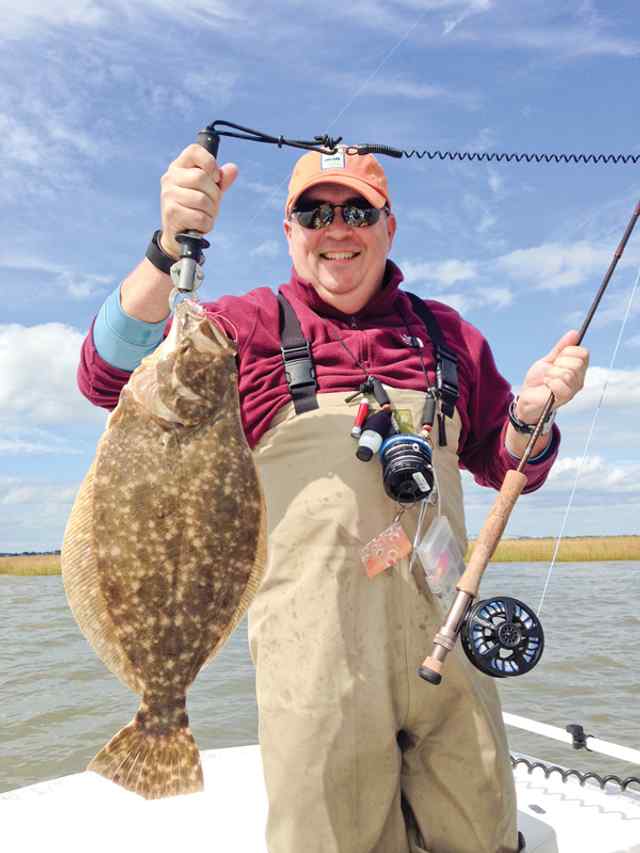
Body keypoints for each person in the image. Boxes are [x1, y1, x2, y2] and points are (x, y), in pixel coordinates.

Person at [78, 142, 589, 853]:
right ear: (289, 231)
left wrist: (532, 415)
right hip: (314, 666)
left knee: (483, 832)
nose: (336, 227)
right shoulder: (243, 327)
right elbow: (107, 374)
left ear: (389, 226)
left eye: (357, 209)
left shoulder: (449, 336)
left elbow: (512, 466)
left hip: (444, 640)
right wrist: (169, 250)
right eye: (314, 213)